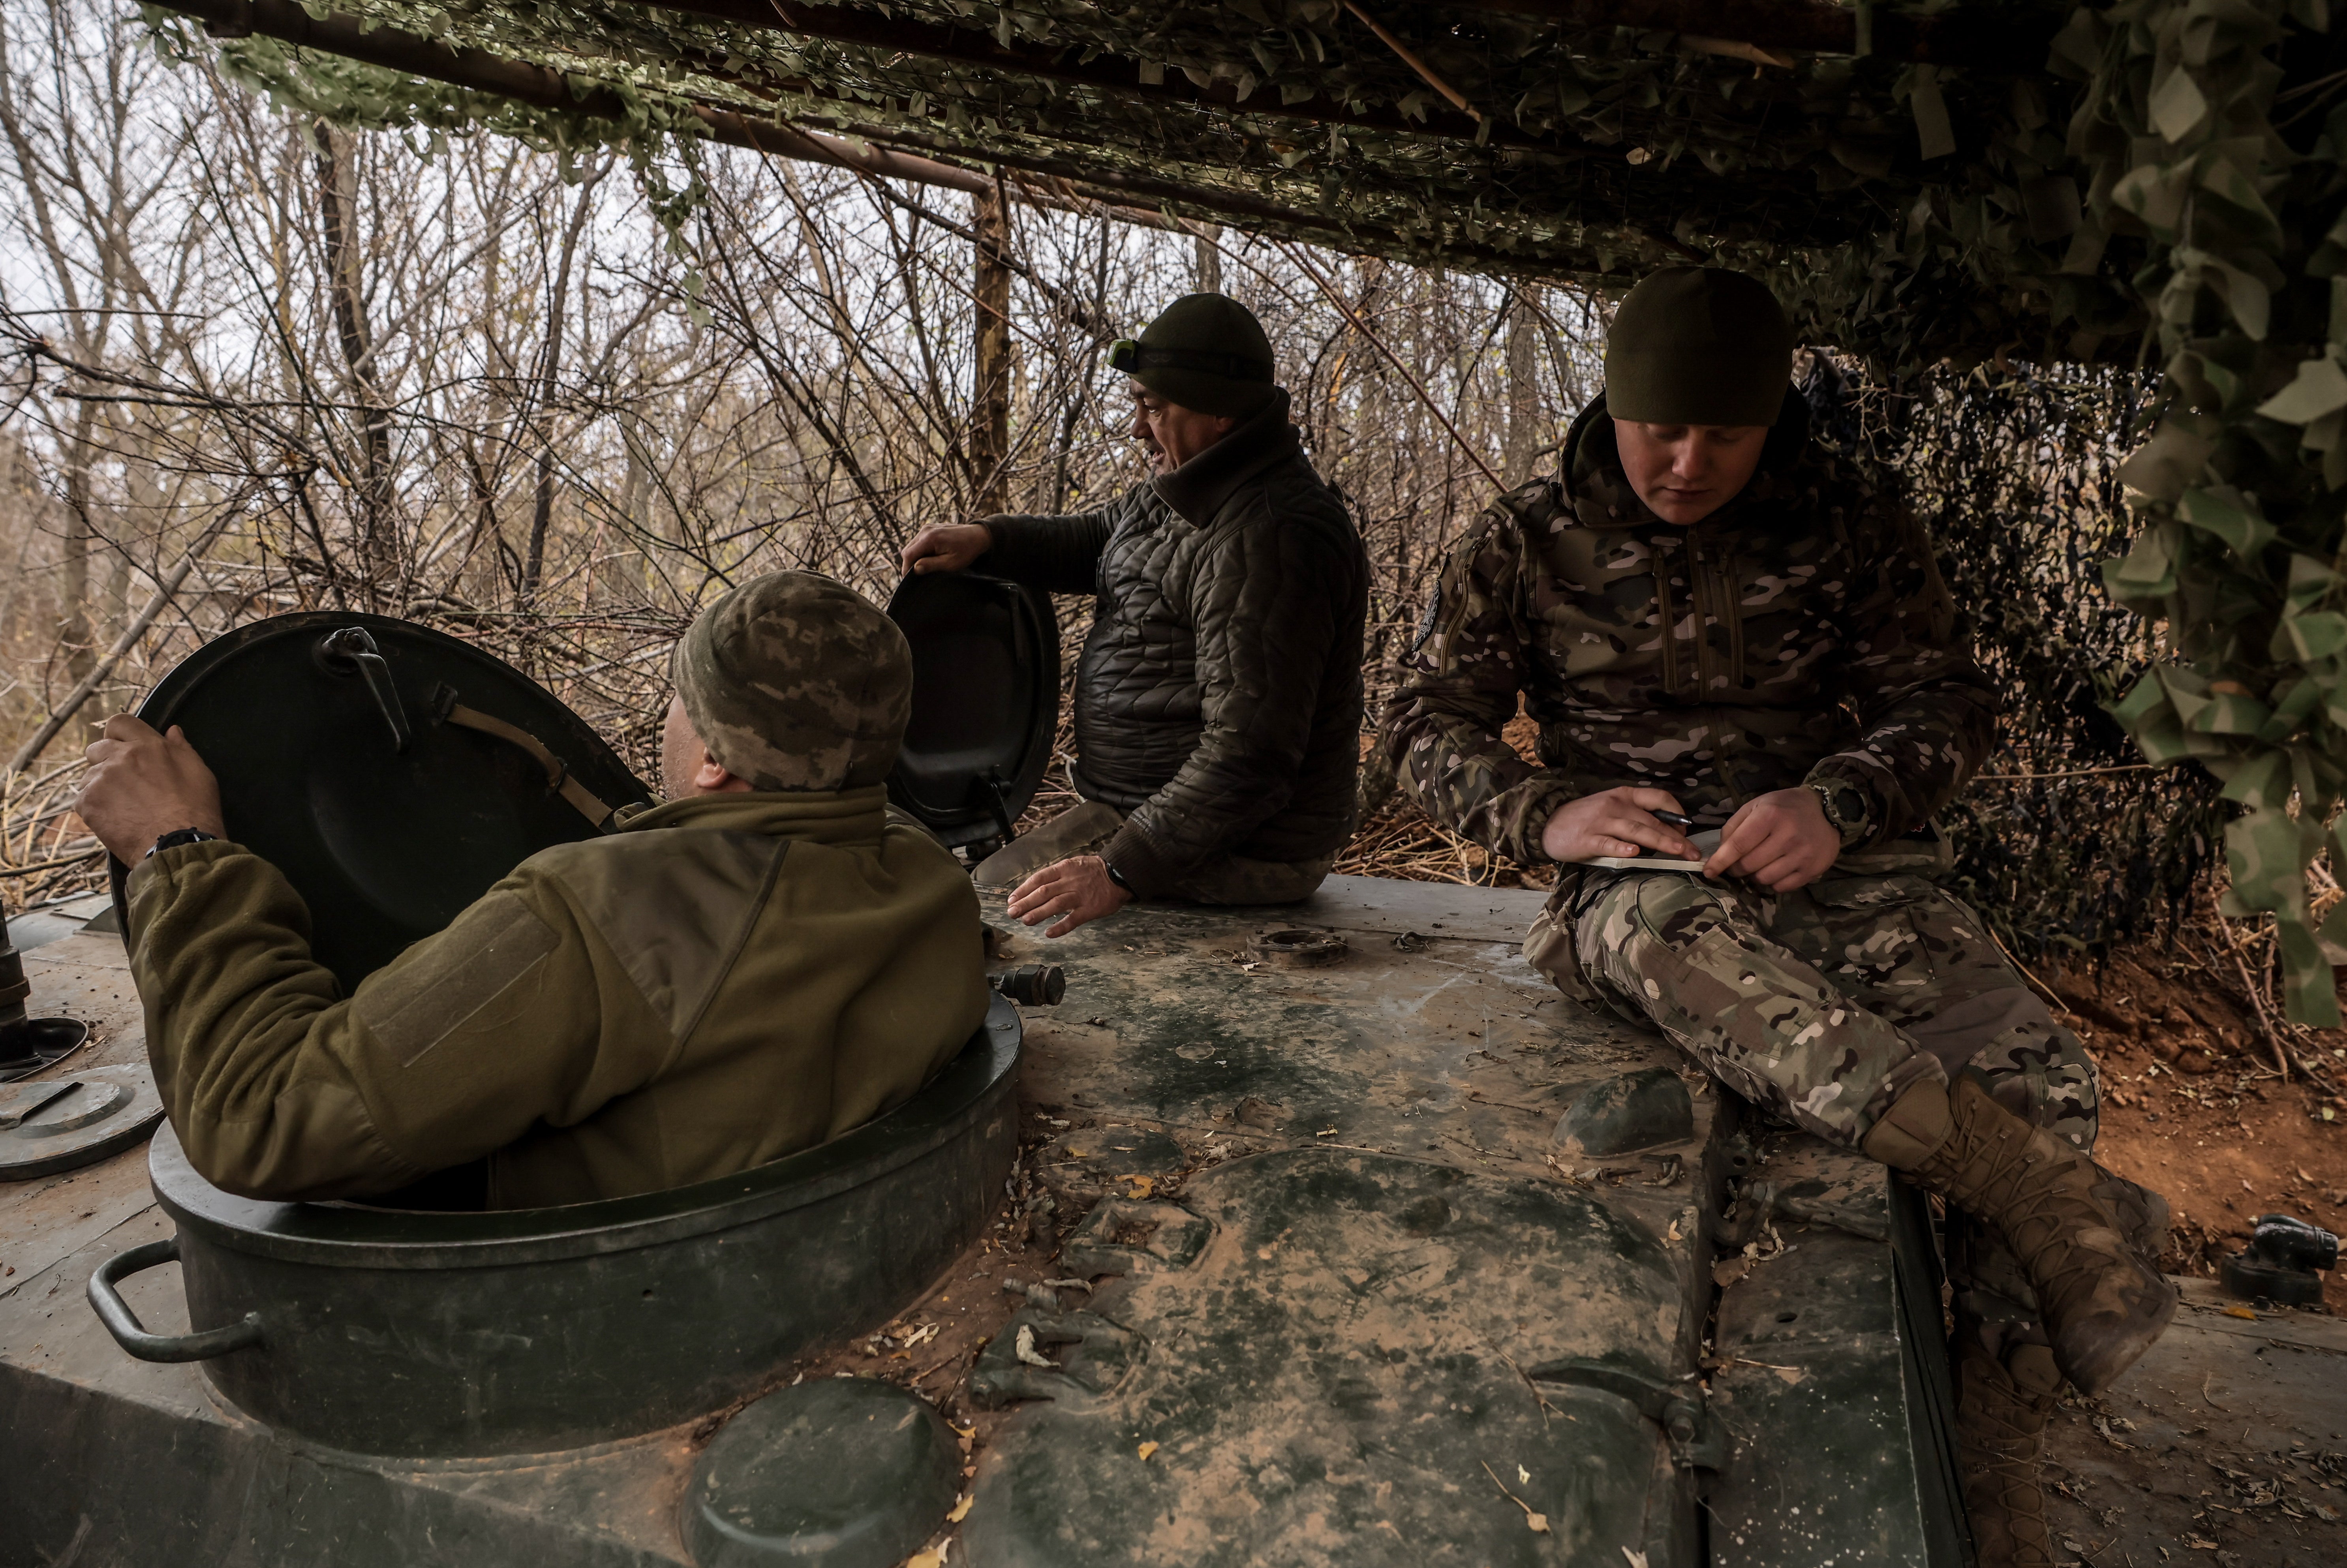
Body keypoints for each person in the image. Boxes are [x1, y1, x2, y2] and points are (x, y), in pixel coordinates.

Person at [1378, 266, 2174, 1567]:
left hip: (1839, 870)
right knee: (1665, 944)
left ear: (1774, 421)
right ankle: (2034, 1203)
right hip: (1642, 883)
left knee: (2043, 1074)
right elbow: (1419, 721)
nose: (1686, 464)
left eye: (1724, 436)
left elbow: (1950, 704)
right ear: (1609, 404)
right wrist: (1543, 814)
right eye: (1657, 431)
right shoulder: (1520, 540)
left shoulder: (1849, 523)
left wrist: (1840, 800)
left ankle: (1998, 1448)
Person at [74, 571, 988, 1209]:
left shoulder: (603, 913)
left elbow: (256, 1118)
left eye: (680, 698)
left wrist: (178, 848)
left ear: (710, 760)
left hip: (594, 1321)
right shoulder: (923, 874)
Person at [900, 293, 1367, 938]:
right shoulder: (1196, 484)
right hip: (1145, 817)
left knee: (985, 918)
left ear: (1221, 412)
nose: (1138, 428)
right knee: (967, 884)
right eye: (1137, 405)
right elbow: (1106, 539)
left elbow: (1251, 754)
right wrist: (992, 540)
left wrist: (1120, 871)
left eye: (1155, 408)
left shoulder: (1272, 536)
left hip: (1242, 850)